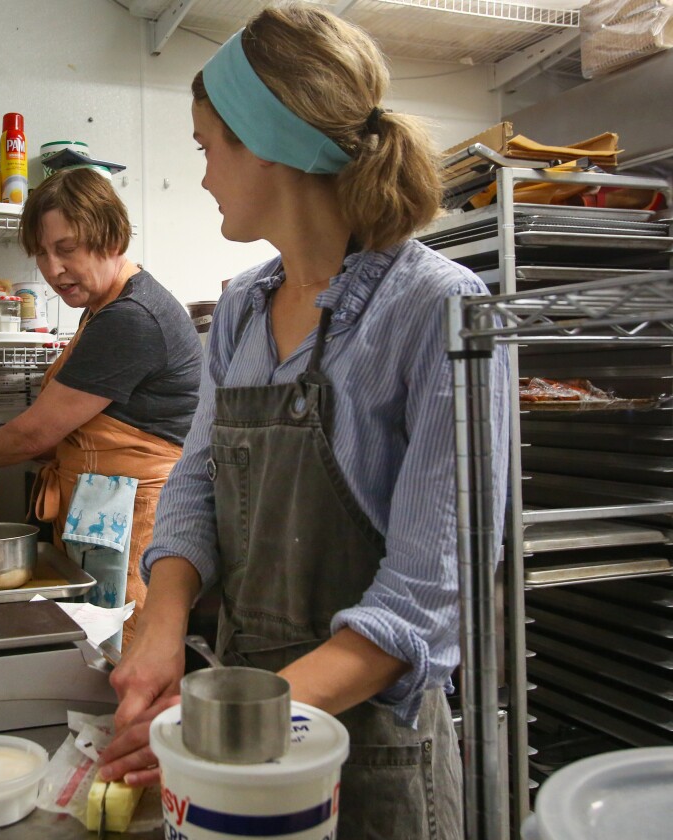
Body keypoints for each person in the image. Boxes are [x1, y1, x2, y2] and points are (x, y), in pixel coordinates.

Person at [99, 4, 510, 837]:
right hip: (242, 733)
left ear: (268, 142)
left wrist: (232, 722)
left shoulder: (439, 310)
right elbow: (197, 481)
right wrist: (161, 619)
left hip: (374, 758)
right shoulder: (245, 309)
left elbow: (427, 597)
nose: (205, 174)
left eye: (208, 147)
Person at [0, 168, 203, 648]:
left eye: (67, 249)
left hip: (138, 526)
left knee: (127, 656)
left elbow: (38, 433)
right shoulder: (103, 310)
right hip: (105, 516)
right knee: (96, 662)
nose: (53, 270)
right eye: (43, 254)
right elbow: (77, 430)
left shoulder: (131, 319)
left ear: (111, 237)